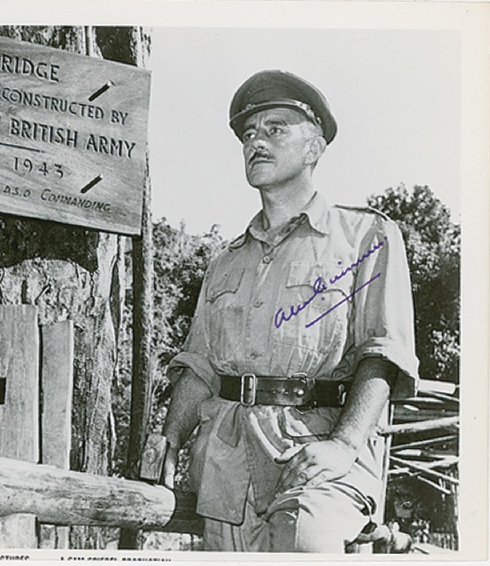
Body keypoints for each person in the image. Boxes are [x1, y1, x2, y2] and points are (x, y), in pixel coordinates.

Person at [160, 70, 419, 552]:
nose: (257, 141)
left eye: (275, 129)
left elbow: (382, 353)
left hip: (317, 455)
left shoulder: (366, 238)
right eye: (249, 135)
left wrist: (343, 446)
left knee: (306, 543)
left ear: (314, 148)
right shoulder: (224, 262)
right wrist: (171, 438)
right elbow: (199, 366)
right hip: (227, 468)